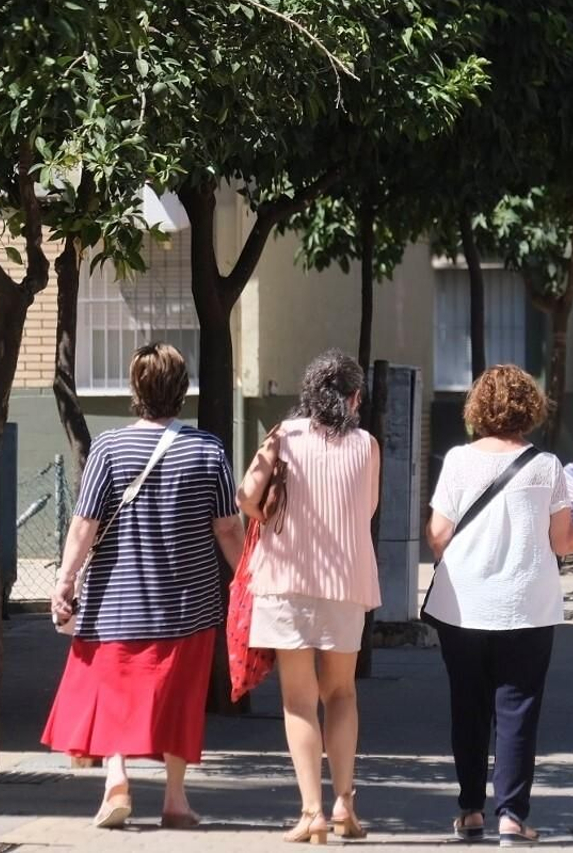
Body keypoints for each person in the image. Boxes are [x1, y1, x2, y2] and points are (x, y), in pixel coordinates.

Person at [43, 343, 244, 830]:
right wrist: (247, 582)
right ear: (182, 390)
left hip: (116, 601)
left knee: (113, 692)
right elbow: (227, 528)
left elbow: (83, 525)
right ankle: (175, 800)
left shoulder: (109, 448)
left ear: (136, 389)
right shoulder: (207, 449)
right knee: (181, 698)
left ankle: (116, 780)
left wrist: (65, 580)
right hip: (189, 603)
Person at [424, 365, 573, 846]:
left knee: (466, 707)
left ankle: (470, 809)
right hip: (526, 606)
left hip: (462, 606)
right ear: (530, 408)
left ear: (477, 409)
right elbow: (564, 543)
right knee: (517, 709)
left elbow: (438, 534)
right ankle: (511, 816)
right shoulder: (546, 466)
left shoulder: (457, 461)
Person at [237, 350, 380, 845]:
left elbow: (245, 494)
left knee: (298, 700)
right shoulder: (367, 444)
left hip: (286, 581)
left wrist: (269, 520)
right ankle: (345, 803)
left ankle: (311, 812)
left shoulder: (283, 436)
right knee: (340, 693)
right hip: (347, 584)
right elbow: (368, 507)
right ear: (354, 398)